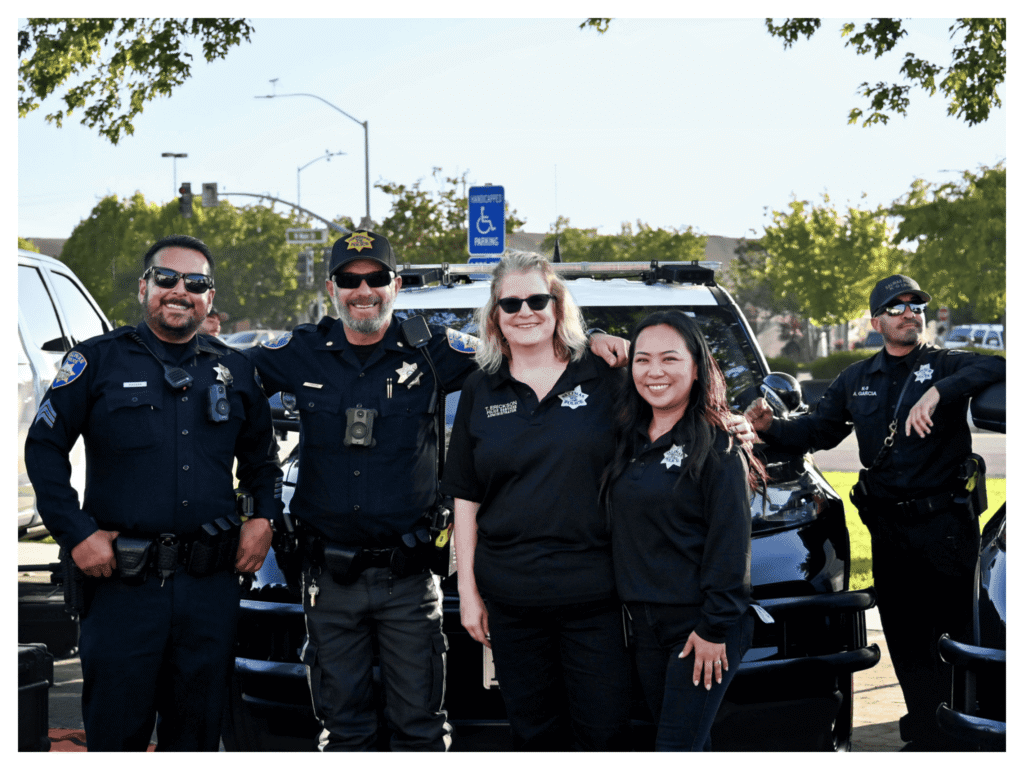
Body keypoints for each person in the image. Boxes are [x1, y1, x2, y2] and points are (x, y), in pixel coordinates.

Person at [245, 232, 630, 751]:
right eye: (350, 280)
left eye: (377, 277)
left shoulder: (433, 350)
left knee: (421, 731)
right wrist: (257, 504)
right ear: (332, 288)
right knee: (343, 732)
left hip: (411, 579)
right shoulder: (300, 352)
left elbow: (529, 349)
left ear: (395, 284)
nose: (364, 290)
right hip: (328, 580)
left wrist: (596, 339)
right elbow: (221, 378)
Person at [24, 234, 282, 751]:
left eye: (196, 283)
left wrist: (263, 518)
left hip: (208, 588)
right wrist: (76, 534)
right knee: (116, 736)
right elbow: (43, 449)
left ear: (210, 297)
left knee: (196, 740)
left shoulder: (235, 372)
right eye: (167, 278)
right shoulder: (96, 362)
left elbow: (261, 461)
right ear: (145, 287)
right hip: (122, 585)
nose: (179, 291)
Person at [745, 274, 1005, 751]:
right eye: (897, 306)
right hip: (889, 530)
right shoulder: (856, 379)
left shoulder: (946, 363)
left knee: (956, 636)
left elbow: (998, 365)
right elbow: (818, 432)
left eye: (916, 305)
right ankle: (923, 732)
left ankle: (961, 737)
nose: (910, 312)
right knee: (906, 640)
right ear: (875, 321)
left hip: (946, 528)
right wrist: (772, 429)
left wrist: (940, 393)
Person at [440, 250, 633, 750]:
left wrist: (735, 430)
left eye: (537, 299)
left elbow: (673, 394)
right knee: (534, 736)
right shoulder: (480, 388)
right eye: (511, 304)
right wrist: (469, 594)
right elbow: (466, 498)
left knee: (603, 733)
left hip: (597, 595)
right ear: (495, 317)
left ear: (558, 305)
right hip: (513, 602)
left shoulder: (606, 373)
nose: (525, 311)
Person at [601, 311, 766, 751]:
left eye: (670, 359)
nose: (655, 372)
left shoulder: (719, 444)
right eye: (643, 359)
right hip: (645, 625)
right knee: (689, 742)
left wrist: (714, 629)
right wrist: (598, 335)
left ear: (697, 369)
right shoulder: (627, 436)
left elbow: (731, 545)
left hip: (700, 626)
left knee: (675, 749)